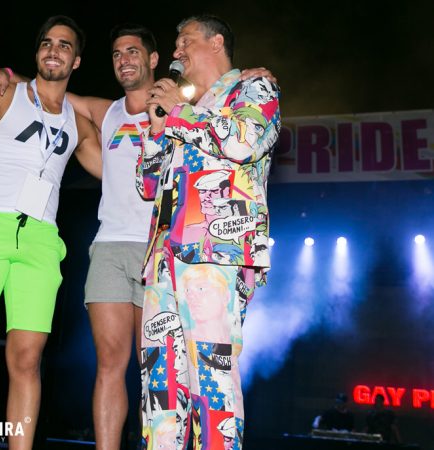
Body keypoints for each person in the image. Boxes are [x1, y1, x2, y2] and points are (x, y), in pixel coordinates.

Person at [0, 24, 277, 450]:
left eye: (134, 51)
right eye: (116, 53)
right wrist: (7, 75)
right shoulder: (112, 112)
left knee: (204, 375)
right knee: (151, 376)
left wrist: (178, 109)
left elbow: (243, 139)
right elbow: (52, 88)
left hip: (201, 254)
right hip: (142, 254)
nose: (124, 60)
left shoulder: (225, 95)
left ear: (153, 59)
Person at [137, 14, 281, 448]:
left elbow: (242, 142)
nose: (176, 51)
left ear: (216, 42)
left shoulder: (254, 87)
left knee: (212, 381)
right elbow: (147, 186)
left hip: (216, 255)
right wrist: (157, 128)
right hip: (163, 261)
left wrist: (179, 113)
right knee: (159, 388)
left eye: (185, 41)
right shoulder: (180, 111)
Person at [0, 15, 101, 450]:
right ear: (37, 53)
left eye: (65, 45)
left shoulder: (78, 122)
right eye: (47, 43)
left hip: (41, 240)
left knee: (27, 359)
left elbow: (117, 173)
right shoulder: (2, 92)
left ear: (76, 61)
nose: (54, 50)